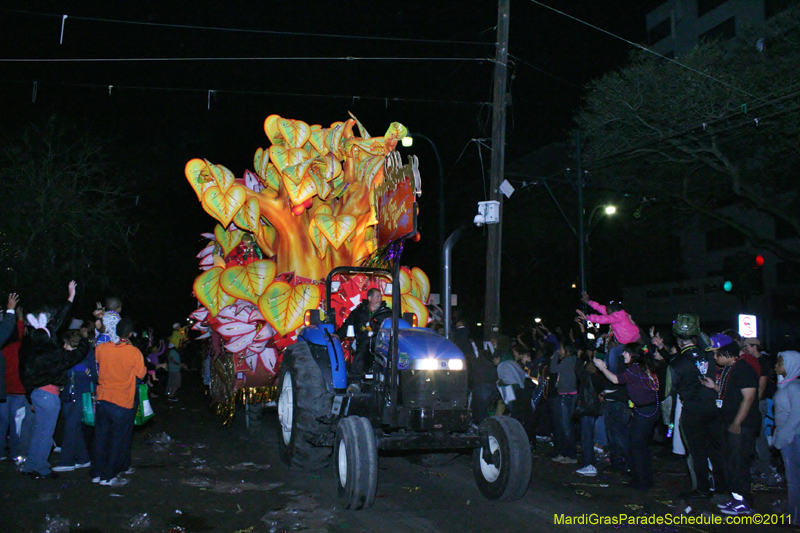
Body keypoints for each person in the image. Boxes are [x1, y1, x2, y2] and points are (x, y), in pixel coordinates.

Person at [20, 281, 91, 479]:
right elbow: (74, 356)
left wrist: (70, 298)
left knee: (38, 432)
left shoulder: (31, 350)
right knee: (45, 433)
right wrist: (84, 341)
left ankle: (30, 466)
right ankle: (41, 468)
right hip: (48, 395)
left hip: (36, 393)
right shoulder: (52, 355)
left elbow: (55, 322)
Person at [666, 313, 724, 500]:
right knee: (716, 449)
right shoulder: (710, 354)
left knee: (697, 452)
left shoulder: (675, 362)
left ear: (677, 338)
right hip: (715, 407)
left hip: (692, 410)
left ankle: (702, 489)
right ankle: (722, 486)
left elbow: (667, 390)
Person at [701, 334, 760, 515]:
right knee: (731, 463)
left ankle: (744, 502)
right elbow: (729, 393)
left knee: (738, 463)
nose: (714, 357)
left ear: (727, 352)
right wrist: (714, 387)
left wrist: (737, 422)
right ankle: (735, 498)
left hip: (743, 425)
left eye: (717, 353)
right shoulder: (729, 368)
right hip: (729, 422)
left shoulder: (743, 368)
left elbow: (749, 397)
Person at [595, 343, 660, 491]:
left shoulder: (636, 369)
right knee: (640, 446)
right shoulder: (643, 367)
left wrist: (602, 367)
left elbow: (616, 380)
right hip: (648, 410)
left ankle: (641, 482)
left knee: (636, 446)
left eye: (626, 352)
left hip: (646, 411)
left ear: (633, 355)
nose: (623, 355)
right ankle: (642, 479)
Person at [91, 318, 146, 487]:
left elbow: (98, 364)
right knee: (117, 440)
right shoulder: (134, 352)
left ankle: (96, 473)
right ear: (130, 334)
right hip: (122, 402)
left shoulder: (101, 348)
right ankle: (109, 475)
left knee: (100, 438)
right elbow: (142, 374)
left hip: (103, 399)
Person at [52, 329, 97, 473]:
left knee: (70, 428)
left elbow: (95, 377)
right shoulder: (65, 356)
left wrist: (82, 370)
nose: (63, 347)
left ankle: (67, 461)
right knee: (75, 429)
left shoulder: (88, 354)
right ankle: (84, 459)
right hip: (67, 395)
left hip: (81, 395)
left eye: (66, 344)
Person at [773, 350, 800, 525]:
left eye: (780, 363)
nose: (776, 366)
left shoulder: (793, 387)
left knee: (793, 479)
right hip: (788, 437)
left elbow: (796, 415)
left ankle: (795, 516)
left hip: (793, 438)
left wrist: (782, 436)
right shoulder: (785, 384)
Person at [336, 288, 390, 375]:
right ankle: (356, 377)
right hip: (362, 342)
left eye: (380, 297)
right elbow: (347, 326)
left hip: (382, 343)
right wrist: (336, 336)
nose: (379, 299)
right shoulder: (359, 313)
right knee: (364, 345)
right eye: (377, 297)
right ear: (369, 298)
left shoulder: (387, 313)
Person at [550, 341, 578, 464]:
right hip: (568, 394)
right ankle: (566, 453)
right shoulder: (572, 360)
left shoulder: (569, 360)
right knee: (566, 426)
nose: (559, 351)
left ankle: (570, 455)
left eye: (560, 349)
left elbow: (553, 369)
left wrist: (555, 356)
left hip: (566, 395)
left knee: (566, 427)